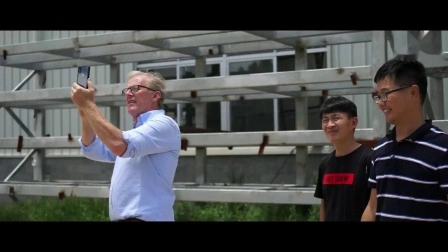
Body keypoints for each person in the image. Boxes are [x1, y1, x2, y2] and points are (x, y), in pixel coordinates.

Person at [70, 70, 181, 222]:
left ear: (156, 95)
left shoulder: (164, 124)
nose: (128, 94)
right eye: (126, 90)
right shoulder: (136, 133)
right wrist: (84, 111)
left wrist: (89, 105)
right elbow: (92, 149)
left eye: (135, 89)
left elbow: (118, 144)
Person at [361, 58, 448, 222]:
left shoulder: (442, 148)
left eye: (385, 94)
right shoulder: (380, 151)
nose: (381, 102)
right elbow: (372, 209)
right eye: (378, 96)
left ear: (413, 93)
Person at [313, 96, 373, 221]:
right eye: (325, 120)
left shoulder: (370, 159)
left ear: (353, 122)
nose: (330, 124)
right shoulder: (325, 163)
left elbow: (374, 206)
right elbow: (325, 205)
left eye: (336, 118)